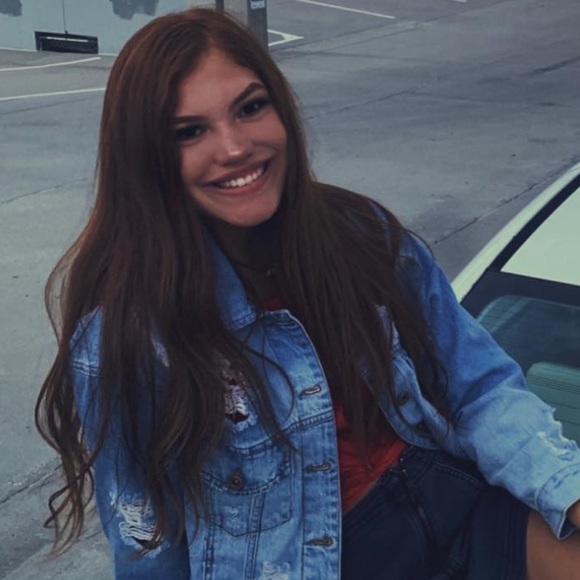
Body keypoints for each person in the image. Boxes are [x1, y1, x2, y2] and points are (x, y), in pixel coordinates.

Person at [35, 7, 580, 580]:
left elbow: (477, 387)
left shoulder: (364, 235)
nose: (234, 147)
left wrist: (569, 492)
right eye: (189, 132)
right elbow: (148, 542)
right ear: (148, 158)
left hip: (453, 504)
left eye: (250, 108)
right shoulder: (129, 333)